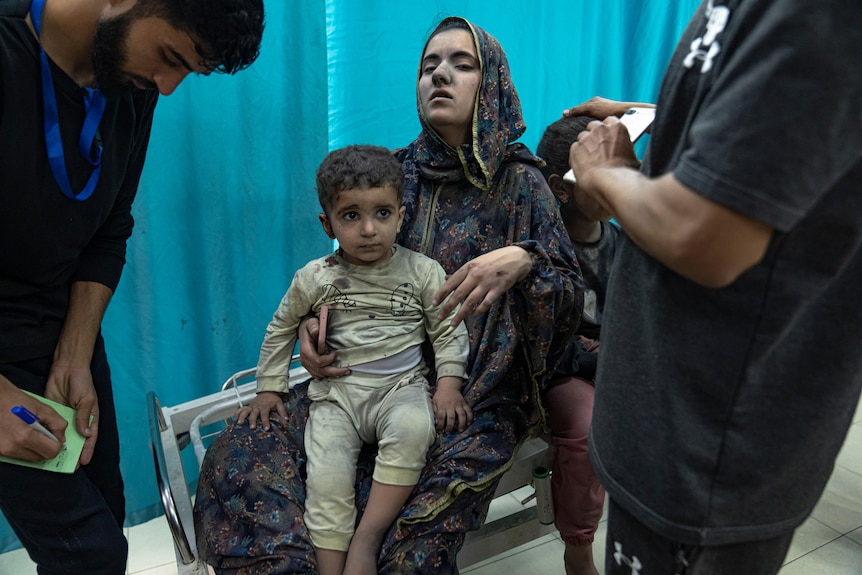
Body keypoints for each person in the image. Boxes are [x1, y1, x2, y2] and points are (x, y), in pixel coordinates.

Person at [195, 15, 581, 574]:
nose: (440, 75)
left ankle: (362, 547)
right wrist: (313, 330)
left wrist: (525, 261)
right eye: (430, 66)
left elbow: (570, 302)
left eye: (461, 64)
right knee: (240, 454)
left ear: (492, 83)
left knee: (411, 546)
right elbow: (340, 273)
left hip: (470, 399)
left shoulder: (523, 185)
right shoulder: (393, 175)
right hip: (355, 377)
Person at [566, 1, 862, 573]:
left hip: (704, 448)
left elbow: (706, 233)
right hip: (666, 425)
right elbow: (759, 127)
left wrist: (608, 175)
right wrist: (642, 111)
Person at [0, 0, 264, 573]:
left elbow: (111, 225)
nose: (166, 88)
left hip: (62, 334)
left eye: (185, 72)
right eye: (169, 57)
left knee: (106, 521)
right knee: (88, 555)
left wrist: (75, 349)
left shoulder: (130, 84)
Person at [236, 144, 473, 575]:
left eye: (382, 214)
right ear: (327, 223)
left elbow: (447, 328)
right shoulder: (315, 276)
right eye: (351, 216)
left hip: (400, 389)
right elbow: (281, 326)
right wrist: (269, 388)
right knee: (326, 477)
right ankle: (331, 567)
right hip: (337, 395)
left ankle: (366, 540)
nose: (368, 230)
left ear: (401, 216)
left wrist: (449, 384)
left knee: (414, 427)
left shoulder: (422, 272)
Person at [535, 114, 622, 575]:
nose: (616, 184)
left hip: (615, 362)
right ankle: (579, 548)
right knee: (587, 430)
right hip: (566, 371)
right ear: (561, 187)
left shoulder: (623, 244)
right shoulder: (542, 252)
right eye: (600, 174)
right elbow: (543, 341)